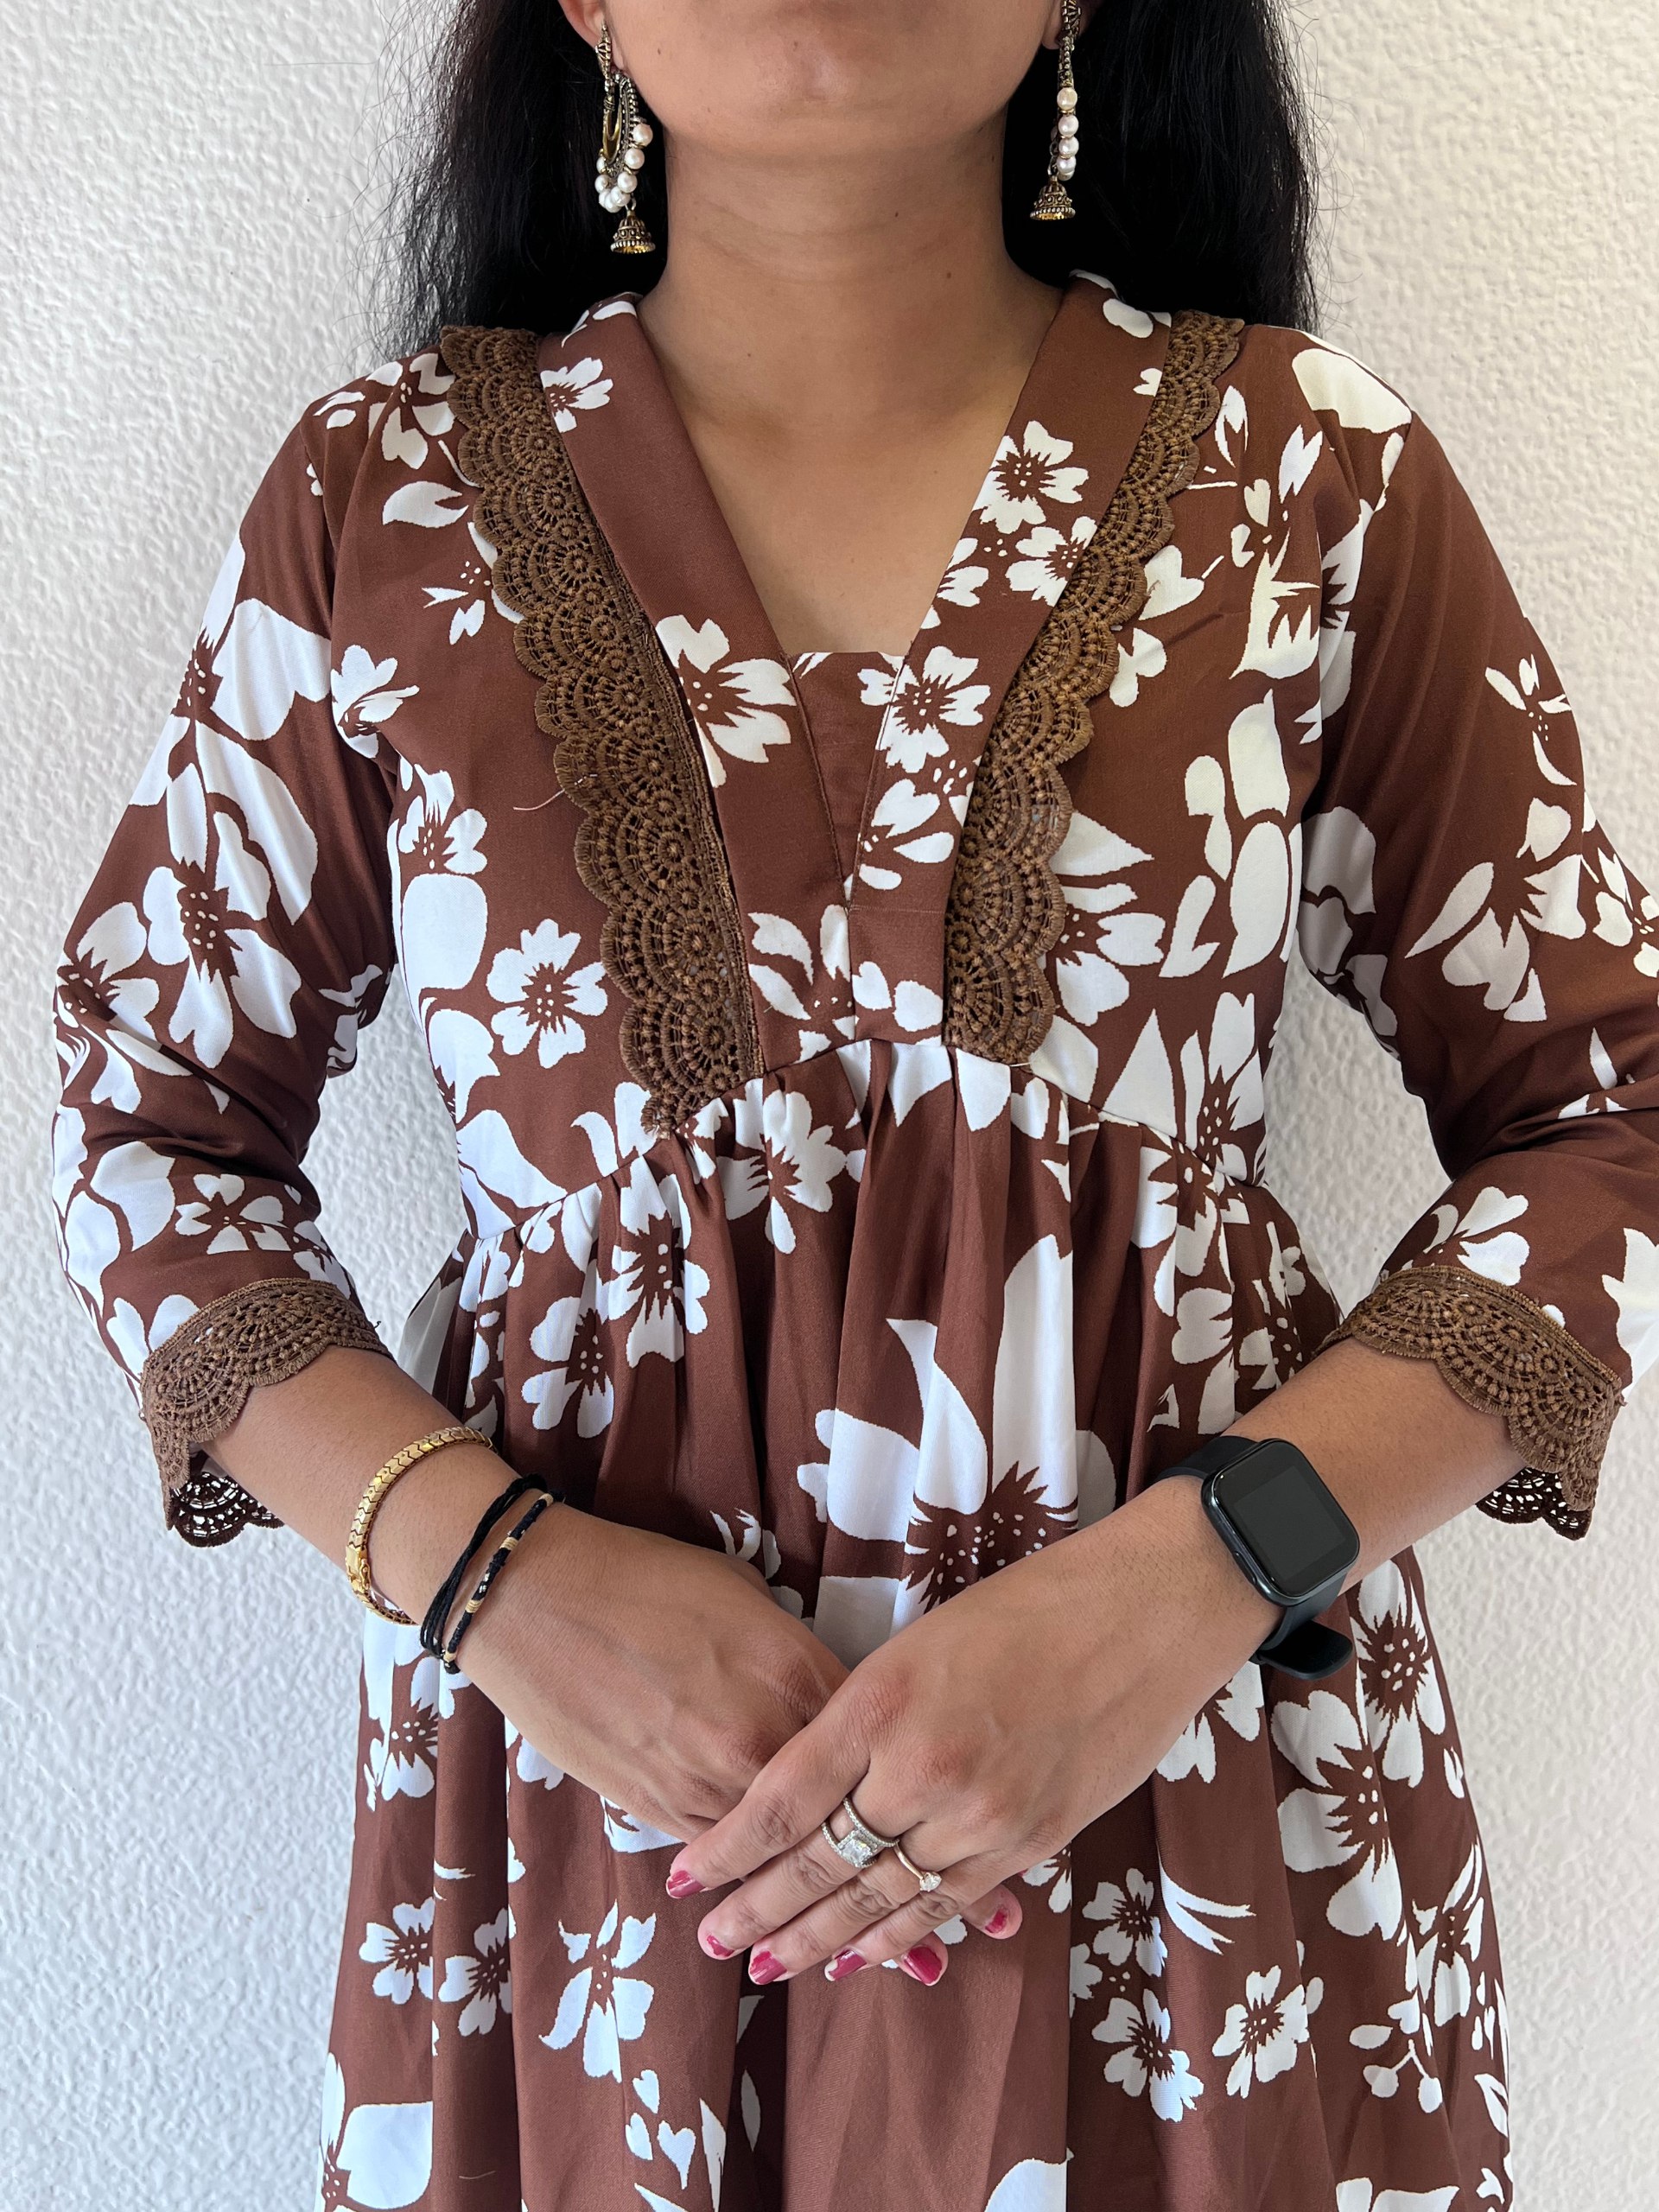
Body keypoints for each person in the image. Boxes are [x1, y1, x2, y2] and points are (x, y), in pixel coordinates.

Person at [48, 2, 1659, 2206]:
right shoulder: (380, 498)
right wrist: (489, 1572)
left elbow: (1610, 1109)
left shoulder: (1307, 475)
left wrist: (1205, 1572)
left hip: (1195, 1848)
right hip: (590, 1886)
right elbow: (152, 1130)